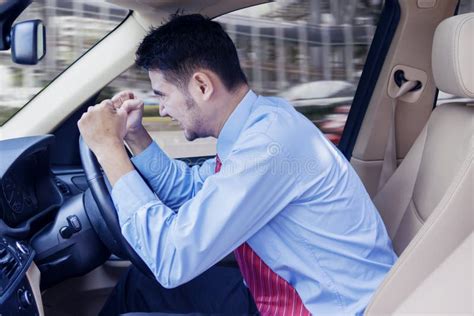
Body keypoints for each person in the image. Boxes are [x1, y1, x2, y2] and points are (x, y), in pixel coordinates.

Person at [78, 14, 397, 315]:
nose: (161, 110)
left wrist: (109, 152)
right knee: (140, 283)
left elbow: (172, 259)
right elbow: (191, 190)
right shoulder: (258, 125)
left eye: (163, 95)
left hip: (324, 309)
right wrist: (134, 136)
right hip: (272, 296)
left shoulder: (270, 146)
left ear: (202, 86)